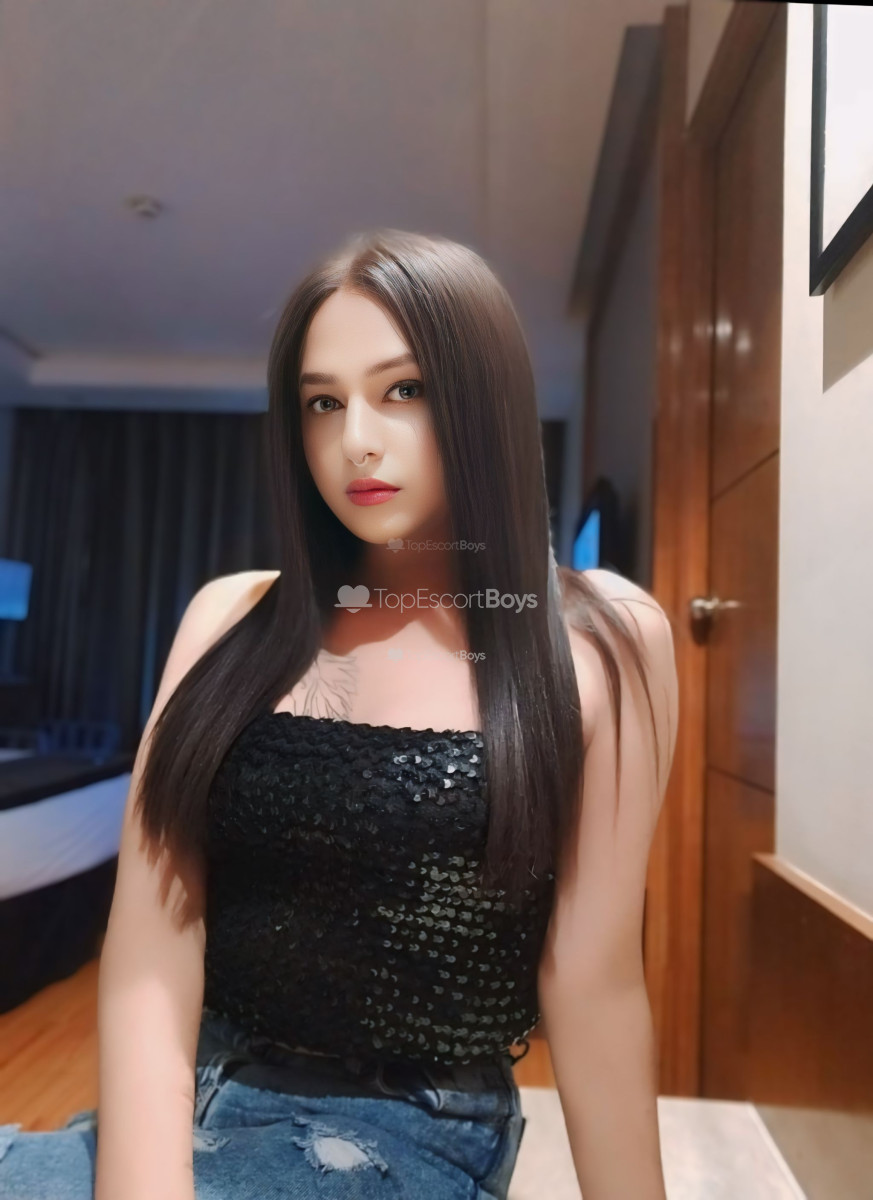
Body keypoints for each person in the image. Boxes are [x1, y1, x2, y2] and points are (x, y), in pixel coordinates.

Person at [0, 229, 678, 1199]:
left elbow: (595, 984)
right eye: (323, 402)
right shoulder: (231, 616)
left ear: (483, 397)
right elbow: (152, 948)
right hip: (190, 1095)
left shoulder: (599, 640)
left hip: (400, 1128)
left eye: (403, 389)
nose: (355, 436)